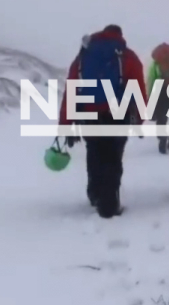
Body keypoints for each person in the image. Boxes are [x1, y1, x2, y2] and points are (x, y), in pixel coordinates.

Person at [58, 25, 147, 218]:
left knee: (95, 152)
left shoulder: (83, 56)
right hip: (118, 113)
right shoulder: (127, 56)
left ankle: (95, 194)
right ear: (120, 36)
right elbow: (138, 88)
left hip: (89, 113)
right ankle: (109, 205)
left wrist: (66, 123)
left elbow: (72, 90)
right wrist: (140, 118)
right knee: (113, 157)